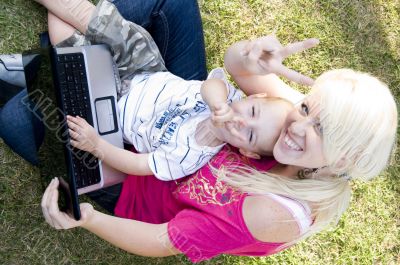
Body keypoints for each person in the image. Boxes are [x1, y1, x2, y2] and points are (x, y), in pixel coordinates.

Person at [1, 0, 397, 263]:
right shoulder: (295, 125)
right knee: (172, 3)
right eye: (309, 108)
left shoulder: (274, 212)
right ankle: (61, 62)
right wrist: (248, 56)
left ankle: (51, 66)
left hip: (142, 171)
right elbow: (238, 72)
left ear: (345, 159)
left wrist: (86, 218)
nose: (298, 124)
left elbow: (161, 240)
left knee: (16, 118)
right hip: (188, 107)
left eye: (321, 130)